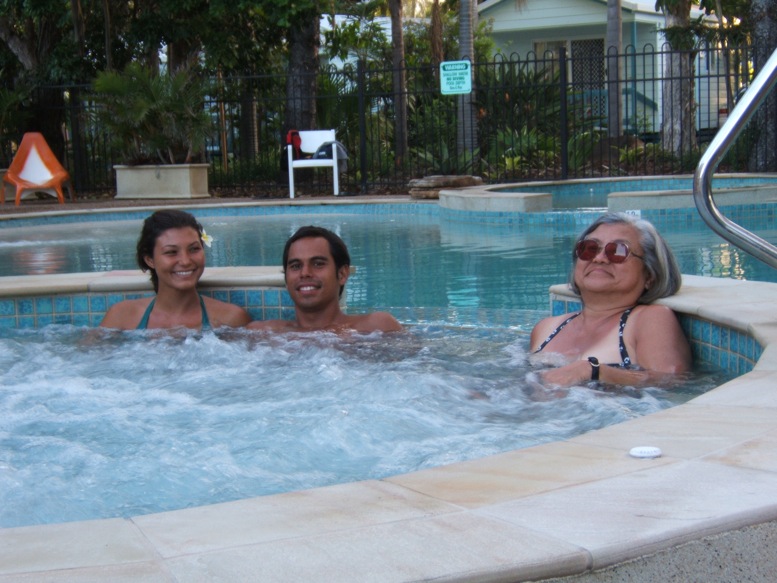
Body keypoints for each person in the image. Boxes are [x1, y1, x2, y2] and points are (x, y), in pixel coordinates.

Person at [530, 212, 691, 388]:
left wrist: (593, 371)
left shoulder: (649, 319)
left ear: (650, 275)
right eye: (589, 248)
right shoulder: (546, 328)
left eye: (618, 251)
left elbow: (669, 380)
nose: (599, 258)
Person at [100, 209, 251, 330]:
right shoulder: (121, 317)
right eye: (171, 252)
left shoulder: (229, 319)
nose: (185, 261)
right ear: (150, 260)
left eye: (194, 249)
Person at [248, 225, 402, 333]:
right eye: (296, 266)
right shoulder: (262, 334)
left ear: (342, 274)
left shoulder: (375, 328)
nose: (305, 273)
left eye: (318, 264)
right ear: (286, 279)